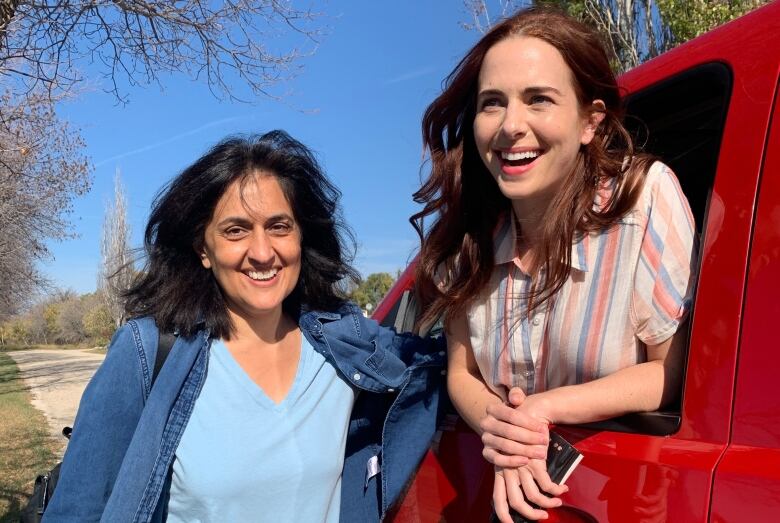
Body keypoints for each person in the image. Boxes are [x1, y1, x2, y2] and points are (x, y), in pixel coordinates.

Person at [44, 130, 446, 523]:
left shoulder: (345, 346)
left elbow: (451, 362)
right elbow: (77, 510)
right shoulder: (148, 351)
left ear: (301, 237)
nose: (261, 252)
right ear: (204, 249)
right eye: (236, 230)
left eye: (278, 226)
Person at [411, 7, 697, 522]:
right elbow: (461, 374)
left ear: (591, 121)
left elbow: (668, 370)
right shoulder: (468, 239)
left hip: (620, 501)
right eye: (492, 103)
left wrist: (544, 409)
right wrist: (505, 431)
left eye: (538, 99)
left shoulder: (644, 200)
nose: (510, 126)